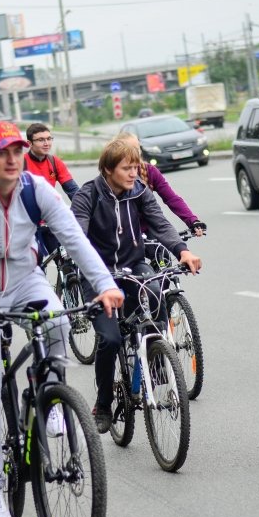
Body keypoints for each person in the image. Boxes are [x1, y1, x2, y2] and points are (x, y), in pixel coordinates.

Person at [0, 121, 123, 517]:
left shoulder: (34, 189)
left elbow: (74, 238)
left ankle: (49, 388)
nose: (12, 159)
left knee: (57, 319)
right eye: (2, 152)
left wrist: (105, 284)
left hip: (25, 279)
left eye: (17, 151)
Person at [70, 139, 203, 433]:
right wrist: (99, 279)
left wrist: (182, 250)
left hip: (134, 266)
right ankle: (103, 404)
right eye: (126, 168)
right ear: (107, 169)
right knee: (111, 339)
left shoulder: (139, 192)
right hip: (98, 277)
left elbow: (160, 224)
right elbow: (77, 240)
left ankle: (156, 368)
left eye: (135, 167)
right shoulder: (87, 196)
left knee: (156, 298)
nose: (134, 173)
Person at [114, 132, 207, 237]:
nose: (136, 153)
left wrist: (193, 221)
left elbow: (171, 198)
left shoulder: (150, 171)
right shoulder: (113, 177)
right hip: (125, 236)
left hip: (151, 231)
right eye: (131, 149)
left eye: (138, 148)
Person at [24, 123, 78, 198]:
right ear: (30, 143)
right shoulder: (20, 163)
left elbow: (72, 190)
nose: (46, 143)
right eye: (41, 140)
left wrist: (85, 207)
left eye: (49, 139)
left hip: (49, 207)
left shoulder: (55, 162)